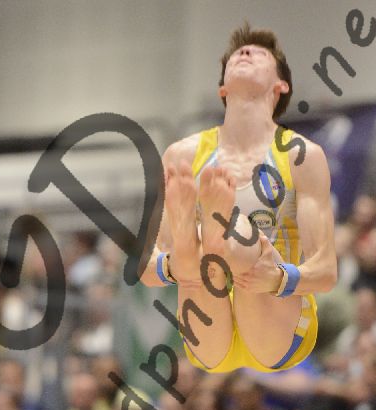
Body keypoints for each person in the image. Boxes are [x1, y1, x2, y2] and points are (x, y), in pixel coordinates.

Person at [141, 24, 337, 374]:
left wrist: (278, 279)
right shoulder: (182, 155)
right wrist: (169, 267)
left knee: (237, 233)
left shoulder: (301, 155)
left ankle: (206, 238)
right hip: (207, 323)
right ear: (223, 89)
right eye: (237, 54)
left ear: (281, 86)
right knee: (198, 251)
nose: (245, 53)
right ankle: (199, 246)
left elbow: (325, 272)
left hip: (277, 322)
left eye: (259, 54)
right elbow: (145, 268)